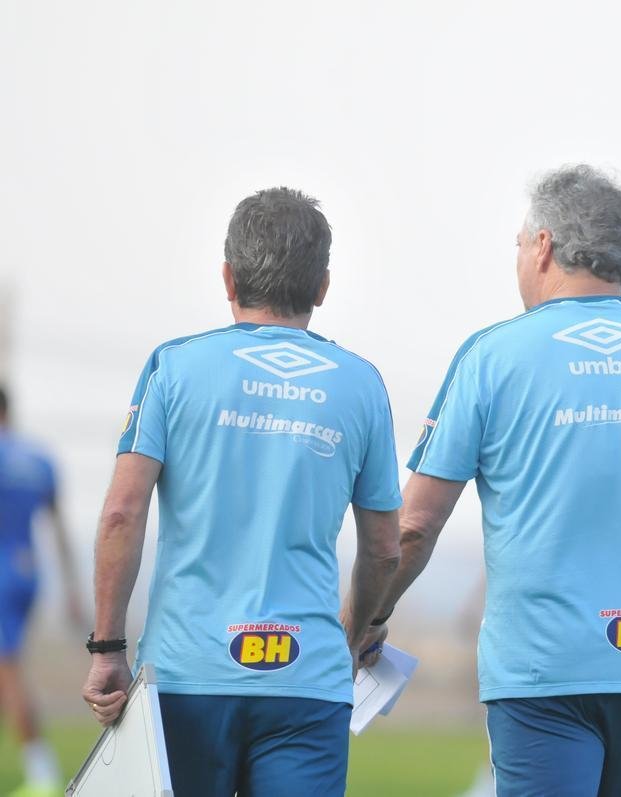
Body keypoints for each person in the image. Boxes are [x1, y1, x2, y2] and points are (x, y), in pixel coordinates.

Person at [363, 165, 621, 796]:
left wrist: (367, 622)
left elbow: (416, 524)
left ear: (543, 246)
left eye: (517, 244)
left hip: (543, 671)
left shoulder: (491, 356)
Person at [80, 188, 402, 796]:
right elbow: (385, 549)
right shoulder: (362, 385)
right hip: (305, 679)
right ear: (323, 287)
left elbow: (123, 514)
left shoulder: (173, 368)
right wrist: (357, 630)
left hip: (186, 676)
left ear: (227, 277)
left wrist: (107, 648)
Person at [0, 386, 84, 797]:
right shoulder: (37, 458)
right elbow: (58, 526)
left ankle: (43, 775)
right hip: (28, 569)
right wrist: (71, 588)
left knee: (8, 670)